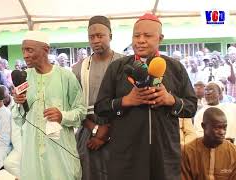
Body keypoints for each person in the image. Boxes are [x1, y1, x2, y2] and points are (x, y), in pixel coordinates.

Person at [94, 13, 197, 180]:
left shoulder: (175, 68)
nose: (140, 40)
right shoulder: (117, 68)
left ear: (160, 38)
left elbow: (191, 107)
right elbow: (100, 108)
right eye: (136, 35)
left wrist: (170, 100)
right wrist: (126, 101)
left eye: (147, 36)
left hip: (164, 155)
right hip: (126, 155)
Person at [12, 30, 86, 180]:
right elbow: (19, 120)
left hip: (59, 150)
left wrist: (62, 115)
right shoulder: (25, 77)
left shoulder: (65, 76)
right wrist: (19, 104)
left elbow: (81, 111)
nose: (25, 55)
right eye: (23, 50)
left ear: (45, 50)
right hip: (32, 149)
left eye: (29, 50)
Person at [72, 15, 124, 180]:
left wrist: (107, 132)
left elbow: (130, 101)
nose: (95, 40)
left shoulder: (125, 63)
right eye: (91, 37)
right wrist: (95, 129)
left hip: (120, 131)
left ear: (111, 36)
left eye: (100, 36)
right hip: (89, 132)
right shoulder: (79, 68)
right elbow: (75, 106)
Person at [181, 107, 236, 180]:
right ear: (203, 126)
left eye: (224, 128)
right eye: (217, 128)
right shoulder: (188, 151)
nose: (222, 132)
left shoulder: (233, 152)